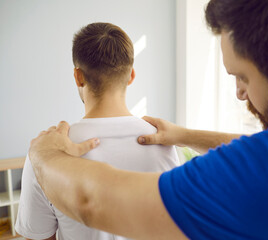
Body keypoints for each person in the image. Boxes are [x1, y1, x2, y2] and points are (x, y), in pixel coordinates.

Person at [27, 0, 268, 239]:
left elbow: (89, 201)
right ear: (131, 75)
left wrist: (45, 155)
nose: (240, 94)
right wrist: (184, 135)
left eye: (241, 77)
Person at [15, 22, 179, 240]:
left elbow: (38, 236)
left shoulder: (45, 151)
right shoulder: (163, 144)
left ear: (78, 76)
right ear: (131, 76)